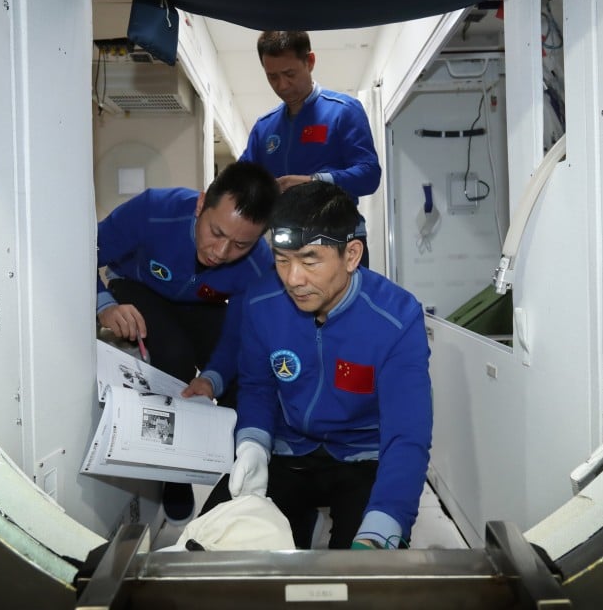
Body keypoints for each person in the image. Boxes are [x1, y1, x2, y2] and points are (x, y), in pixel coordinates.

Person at [202, 181, 433, 549]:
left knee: (360, 582)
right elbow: (258, 386)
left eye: (309, 259)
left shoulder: (396, 319)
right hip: (288, 449)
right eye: (281, 259)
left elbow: (406, 435)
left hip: (365, 457)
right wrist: (253, 444)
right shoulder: (261, 302)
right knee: (214, 549)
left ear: (352, 255)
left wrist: (384, 522)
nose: (294, 279)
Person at [96, 160, 279, 523]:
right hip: (137, 288)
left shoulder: (258, 263)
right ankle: (173, 476)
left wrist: (213, 377)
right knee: (174, 356)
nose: (221, 252)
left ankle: (234, 487)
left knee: (243, 374)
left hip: (199, 303)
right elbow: (82, 254)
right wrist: (104, 305)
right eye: (215, 232)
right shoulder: (154, 210)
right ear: (200, 205)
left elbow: (237, 334)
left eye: (240, 244)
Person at [239, 30, 381, 267]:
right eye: (272, 77)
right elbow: (241, 180)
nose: (282, 85)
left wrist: (315, 181)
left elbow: (370, 175)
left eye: (289, 73)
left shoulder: (344, 111)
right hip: (287, 248)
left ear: (310, 61)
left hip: (340, 243)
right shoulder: (264, 128)